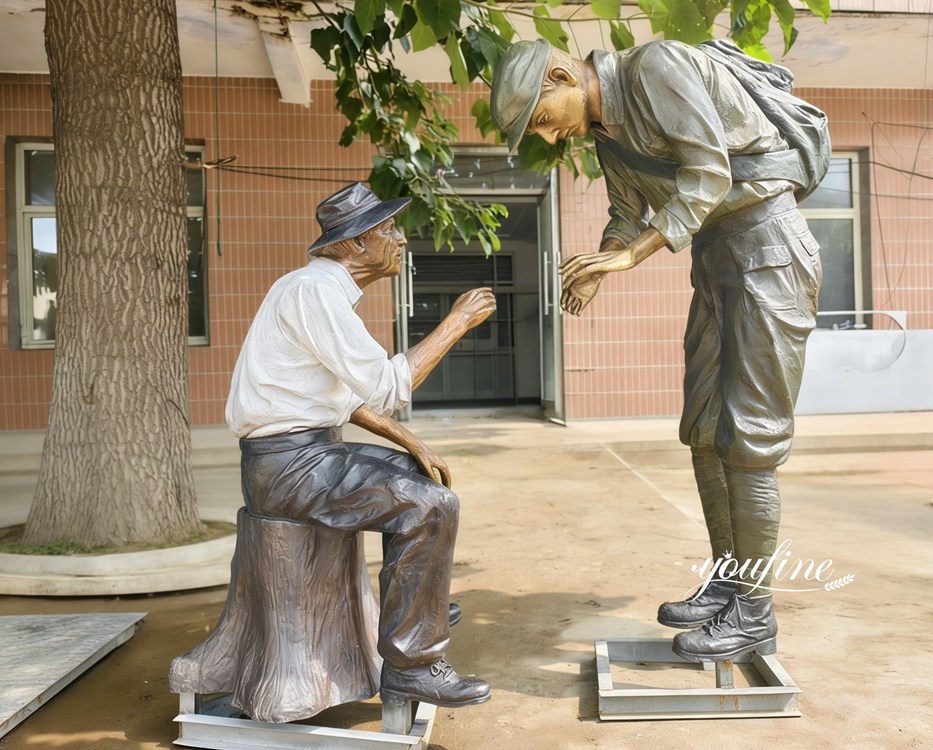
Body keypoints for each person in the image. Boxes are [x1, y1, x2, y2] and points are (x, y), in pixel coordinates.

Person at [491, 39, 824, 662]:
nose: (552, 137)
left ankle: (755, 613)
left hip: (771, 256)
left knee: (748, 442)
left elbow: (708, 174)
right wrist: (601, 261)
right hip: (718, 264)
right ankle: (729, 581)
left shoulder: (656, 68)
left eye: (542, 119)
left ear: (563, 76)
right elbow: (626, 214)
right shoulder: (606, 135)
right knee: (702, 430)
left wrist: (632, 254)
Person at [225, 182, 496, 706]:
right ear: (353, 245)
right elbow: (387, 386)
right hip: (288, 467)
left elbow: (346, 399)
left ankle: (422, 604)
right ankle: (413, 665)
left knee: (420, 480)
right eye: (388, 230)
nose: (400, 240)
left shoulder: (314, 291)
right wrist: (456, 322)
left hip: (303, 454)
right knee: (431, 504)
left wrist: (412, 442)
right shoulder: (316, 293)